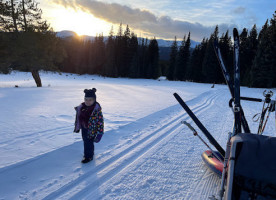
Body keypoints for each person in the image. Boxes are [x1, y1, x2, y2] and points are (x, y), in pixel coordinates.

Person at [74, 88, 104, 163]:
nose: (88, 101)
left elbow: (100, 122)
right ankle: (91, 153)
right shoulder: (82, 108)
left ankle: (88, 157)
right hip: (84, 129)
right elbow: (78, 118)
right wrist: (77, 127)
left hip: (92, 130)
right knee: (87, 141)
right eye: (86, 99)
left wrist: (100, 133)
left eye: (90, 100)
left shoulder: (96, 110)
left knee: (88, 142)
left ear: (94, 100)